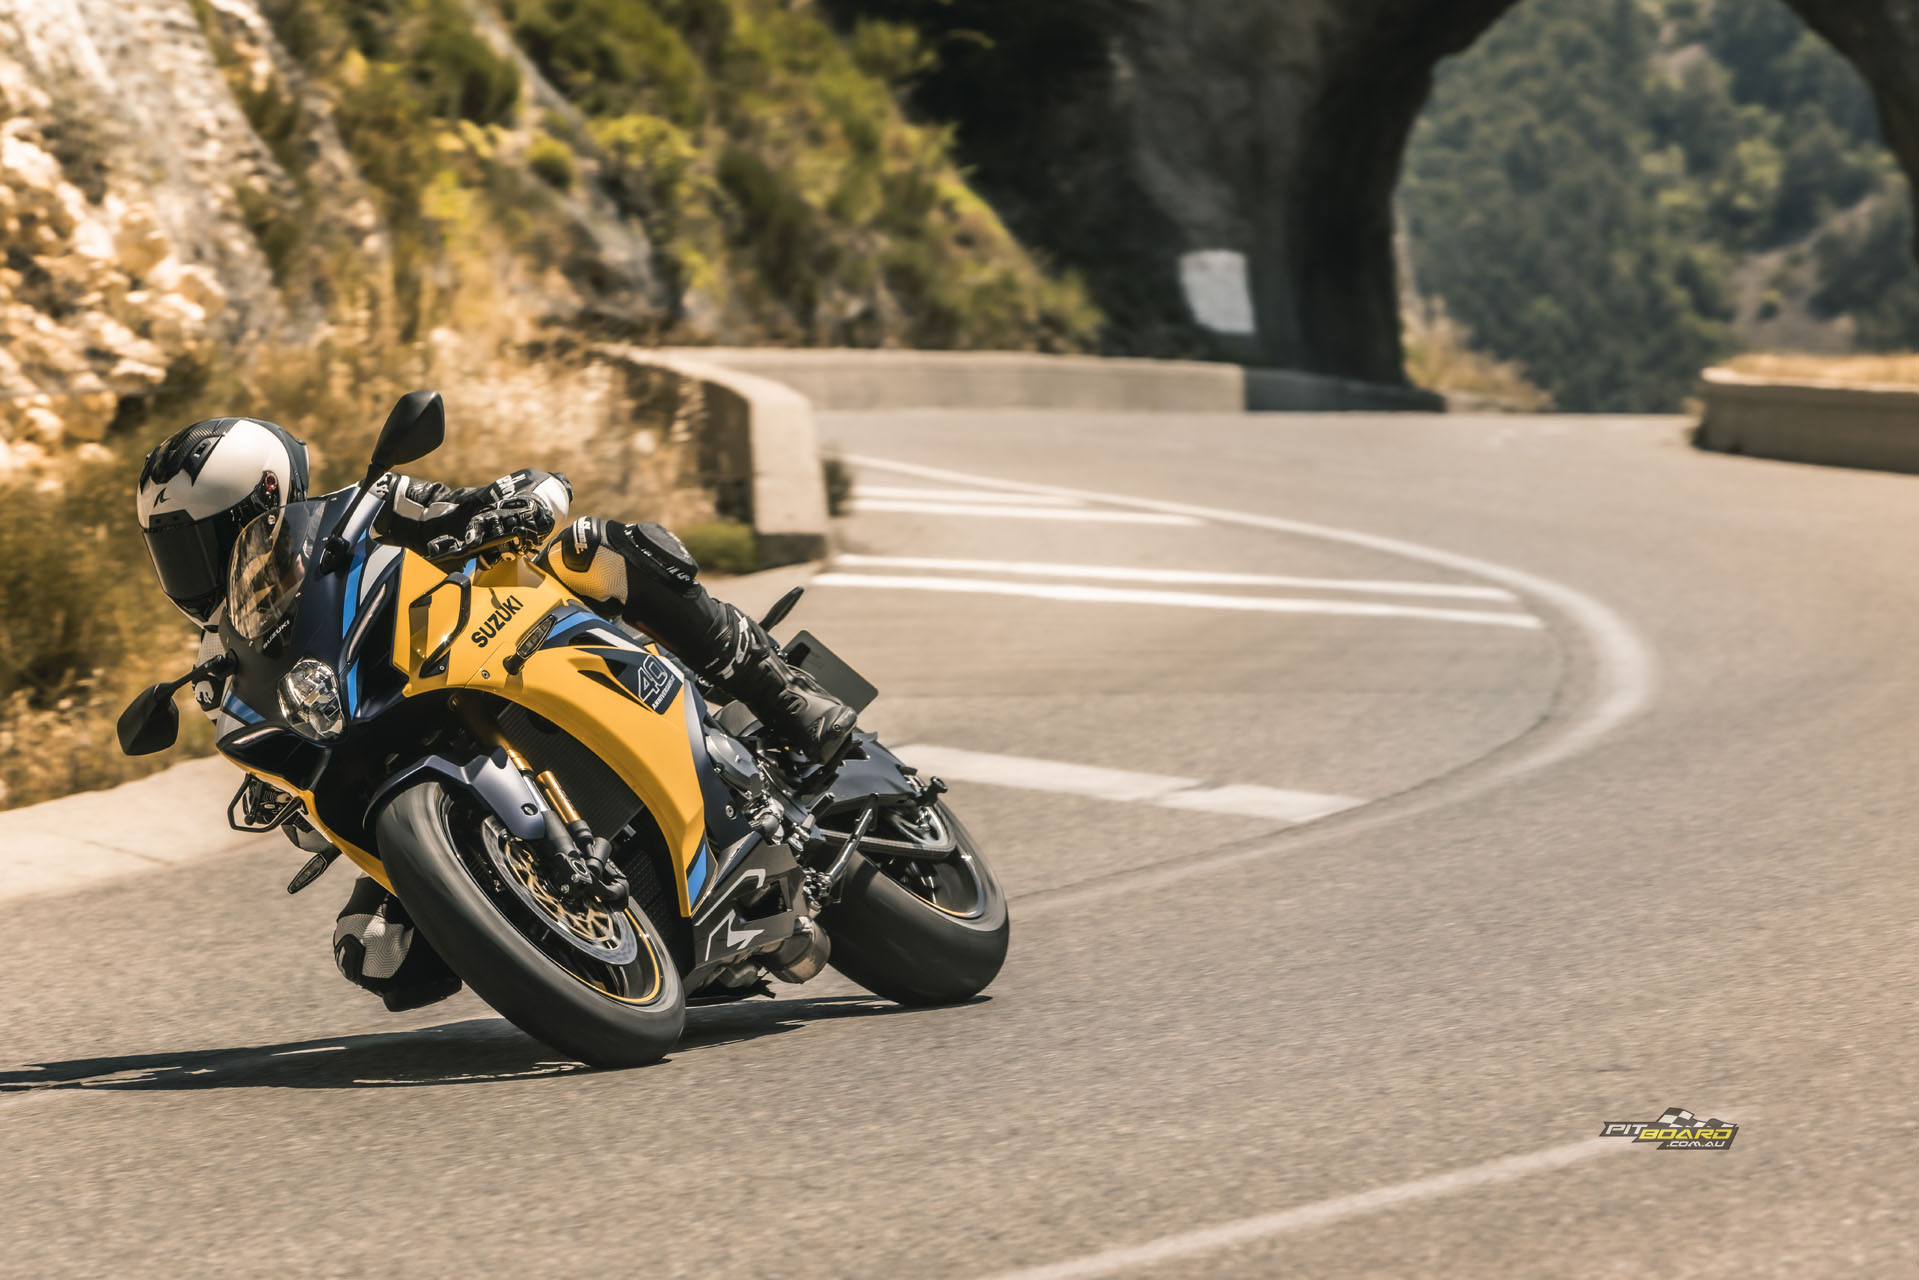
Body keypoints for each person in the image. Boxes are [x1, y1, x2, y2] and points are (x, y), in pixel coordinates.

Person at [135, 413, 855, 1010]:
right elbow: (269, 752)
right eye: (173, 552)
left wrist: (515, 503)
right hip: (394, 760)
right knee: (377, 955)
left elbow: (507, 494)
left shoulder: (361, 512)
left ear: (267, 498)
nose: (193, 570)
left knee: (596, 549)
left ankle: (783, 695)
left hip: (483, 653)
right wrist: (277, 785)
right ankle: (586, 942)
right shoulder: (221, 663)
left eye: (203, 540)